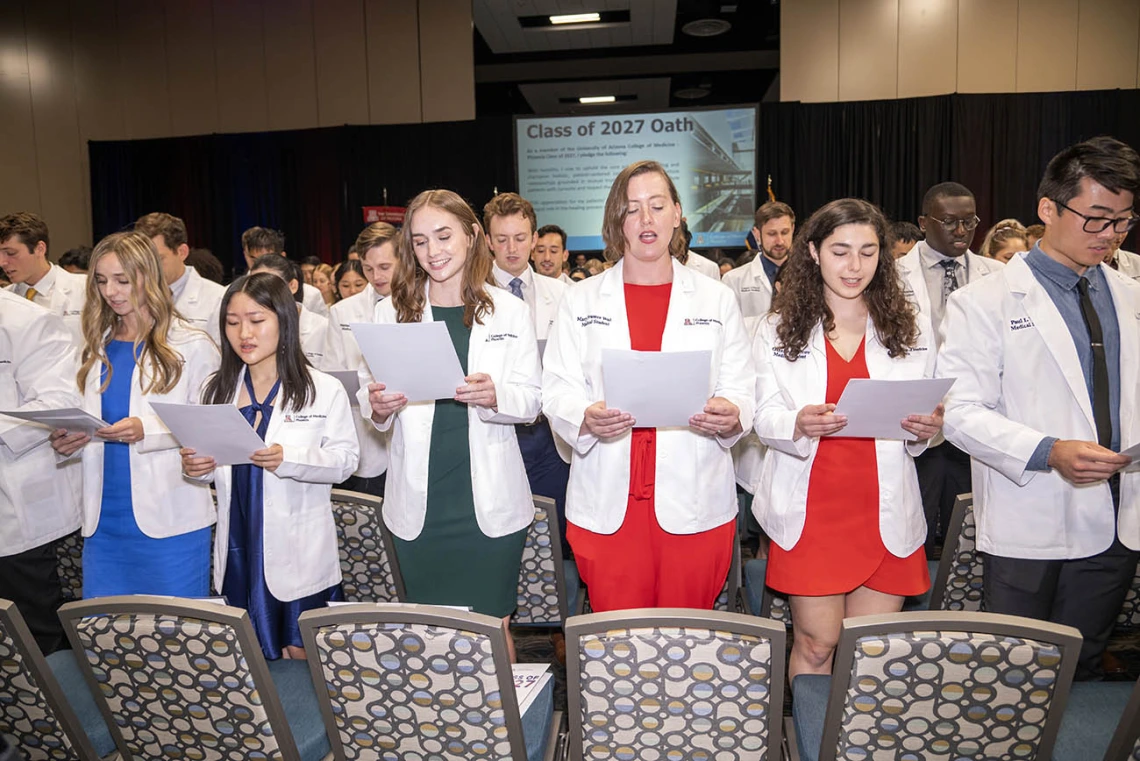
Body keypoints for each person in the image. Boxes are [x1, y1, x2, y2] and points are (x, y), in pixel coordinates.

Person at [937, 136, 1140, 680]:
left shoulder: (1131, 294)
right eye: (1096, 219)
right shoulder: (983, 302)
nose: (1110, 235)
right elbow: (958, 411)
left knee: (1084, 661)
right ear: (1048, 209)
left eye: (1122, 221)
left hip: (1122, 515)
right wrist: (1048, 452)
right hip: (1034, 511)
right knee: (1018, 673)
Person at [542, 160, 755, 612]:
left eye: (657, 206)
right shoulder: (581, 299)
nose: (645, 219)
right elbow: (557, 387)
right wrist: (583, 415)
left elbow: (741, 383)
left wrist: (731, 410)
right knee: (617, 644)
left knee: (687, 638)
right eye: (632, 208)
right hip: (609, 502)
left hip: (694, 500)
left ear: (677, 214)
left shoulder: (715, 296)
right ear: (616, 220)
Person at [752, 198, 942, 679]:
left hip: (883, 505)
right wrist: (796, 422)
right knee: (818, 644)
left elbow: (928, 414)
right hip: (812, 506)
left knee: (870, 652)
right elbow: (761, 415)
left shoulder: (909, 328)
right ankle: (811, 742)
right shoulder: (777, 329)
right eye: (840, 251)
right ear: (813, 252)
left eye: (868, 251)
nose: (854, 265)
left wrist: (928, 429)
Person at [359, 189, 540, 660]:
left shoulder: (509, 311)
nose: (433, 251)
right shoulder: (390, 311)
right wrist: (378, 405)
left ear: (472, 234)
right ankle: (441, 727)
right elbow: (370, 400)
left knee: (493, 625)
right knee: (430, 631)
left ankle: (507, 730)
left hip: (489, 503)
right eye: (420, 242)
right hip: (420, 502)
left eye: (443, 236)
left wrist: (497, 395)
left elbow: (532, 401)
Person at [182, 273, 358, 659]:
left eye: (256, 320)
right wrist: (198, 467)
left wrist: (289, 458)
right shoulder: (215, 389)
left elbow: (345, 462)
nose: (243, 332)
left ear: (284, 320)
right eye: (232, 322)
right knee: (246, 655)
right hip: (240, 541)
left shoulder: (321, 389)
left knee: (302, 652)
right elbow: (214, 467)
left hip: (299, 545)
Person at [49, 232, 220, 598]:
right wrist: (70, 440)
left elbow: (211, 432)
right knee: (107, 641)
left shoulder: (191, 344)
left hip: (171, 518)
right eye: (101, 280)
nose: (110, 291)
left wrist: (149, 430)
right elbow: (83, 418)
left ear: (148, 277)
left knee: (176, 638)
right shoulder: (94, 346)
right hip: (103, 521)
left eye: (122, 280)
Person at [895, 182, 1003, 554]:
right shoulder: (890, 277)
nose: (961, 231)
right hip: (915, 424)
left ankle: (958, 607)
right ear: (924, 223)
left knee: (969, 536)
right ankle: (912, 610)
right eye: (949, 222)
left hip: (975, 419)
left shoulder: (998, 276)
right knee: (913, 532)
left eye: (969, 222)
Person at [484, 193, 571, 552]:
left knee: (557, 539)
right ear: (488, 242)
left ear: (534, 239)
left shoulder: (567, 295)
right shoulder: (472, 295)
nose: (512, 248)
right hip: (498, 429)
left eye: (520, 238)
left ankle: (559, 606)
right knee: (504, 538)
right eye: (501, 240)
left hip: (551, 433)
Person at [0, 291, 82, 654]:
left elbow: (56, 403)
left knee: (34, 636)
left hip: (21, 512)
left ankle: (49, 710)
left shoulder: (28, 320)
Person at [329, 222, 399, 497]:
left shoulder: (424, 303)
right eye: (368, 269)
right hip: (364, 433)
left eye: (384, 267)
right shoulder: (342, 311)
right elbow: (332, 374)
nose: (376, 276)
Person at [135, 212, 226, 344]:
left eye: (158, 259)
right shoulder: (131, 298)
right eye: (143, 260)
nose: (149, 268)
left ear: (182, 252)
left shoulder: (217, 299)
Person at [1, 212, 86, 342]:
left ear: (39, 249)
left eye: (10, 253)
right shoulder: (4, 299)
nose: (2, 262)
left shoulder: (85, 289)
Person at [248, 254, 342, 370]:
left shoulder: (324, 328)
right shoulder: (250, 330)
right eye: (255, 288)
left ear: (293, 285)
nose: (262, 294)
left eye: (271, 286)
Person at [722, 202, 796, 318]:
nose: (780, 241)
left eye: (785, 232)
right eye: (772, 234)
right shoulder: (733, 280)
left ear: (793, 229)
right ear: (757, 234)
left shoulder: (813, 276)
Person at [241, 226, 329, 317]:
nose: (260, 266)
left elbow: (321, 327)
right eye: (254, 259)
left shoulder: (310, 295)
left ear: (282, 256)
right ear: (245, 255)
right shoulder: (235, 292)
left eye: (268, 259)